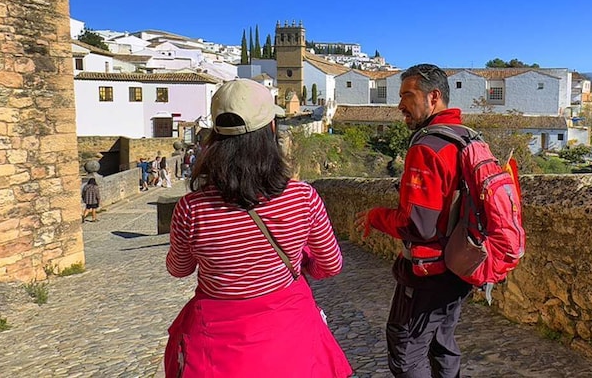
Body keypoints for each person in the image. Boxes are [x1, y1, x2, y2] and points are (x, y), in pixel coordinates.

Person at [164, 78, 352, 378]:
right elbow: (330, 265)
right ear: (271, 130)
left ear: (215, 136)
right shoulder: (302, 198)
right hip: (289, 334)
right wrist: (300, 264)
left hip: (216, 343)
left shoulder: (192, 208)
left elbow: (179, 268)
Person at [356, 63, 473, 378]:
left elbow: (418, 225)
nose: (400, 105)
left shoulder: (427, 148)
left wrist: (375, 216)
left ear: (433, 97)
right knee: (442, 343)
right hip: (462, 264)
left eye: (408, 95)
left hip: (429, 274)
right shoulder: (466, 138)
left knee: (406, 349)